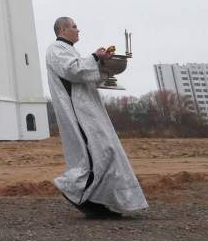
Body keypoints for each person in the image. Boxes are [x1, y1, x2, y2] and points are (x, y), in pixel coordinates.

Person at [46, 17, 148, 219]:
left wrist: (101, 63)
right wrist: (94, 56)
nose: (78, 30)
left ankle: (102, 202)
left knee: (106, 152)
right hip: (78, 113)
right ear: (63, 29)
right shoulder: (56, 49)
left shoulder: (69, 50)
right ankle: (74, 191)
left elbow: (84, 73)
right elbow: (73, 70)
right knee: (95, 155)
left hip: (88, 110)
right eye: (74, 26)